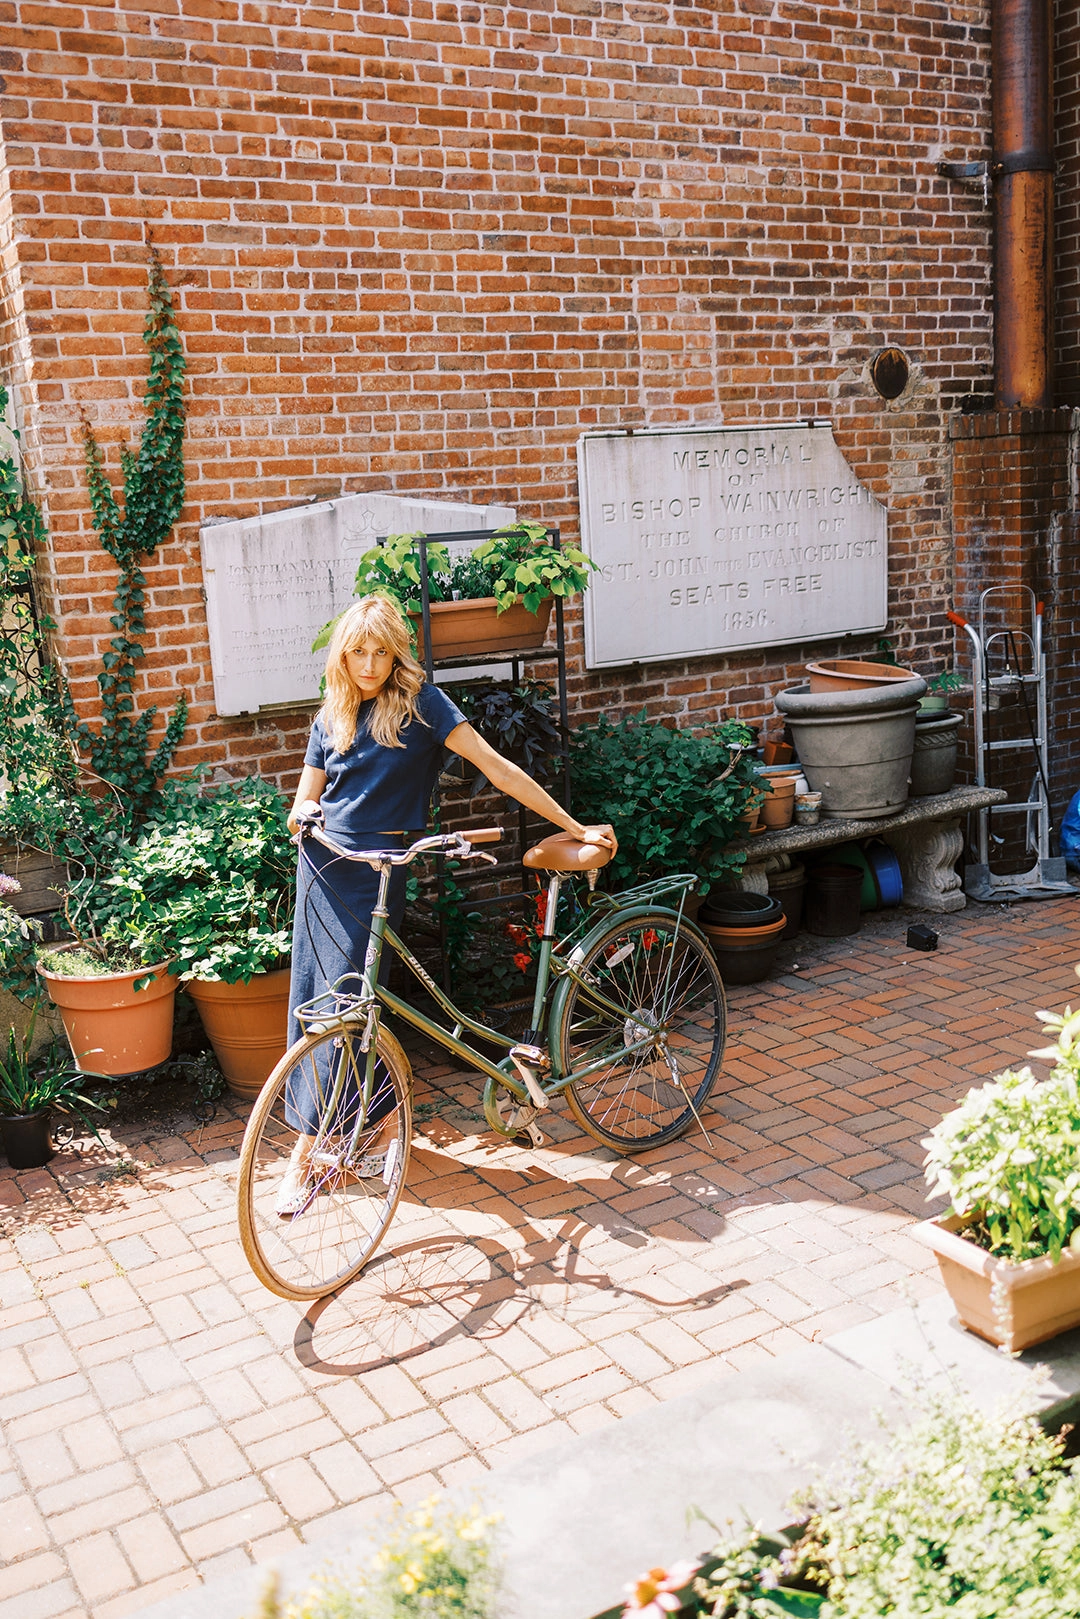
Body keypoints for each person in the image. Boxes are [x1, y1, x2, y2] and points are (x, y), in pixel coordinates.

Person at [276, 590, 616, 1214]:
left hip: (381, 866)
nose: (370, 664)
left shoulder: (422, 705)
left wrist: (573, 824)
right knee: (314, 1002)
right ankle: (341, 1131)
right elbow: (308, 791)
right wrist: (301, 810)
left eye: (381, 652)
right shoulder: (334, 713)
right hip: (323, 862)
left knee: (350, 1002)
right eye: (358, 652)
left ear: (396, 654)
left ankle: (323, 1141)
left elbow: (497, 767)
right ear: (342, 657)